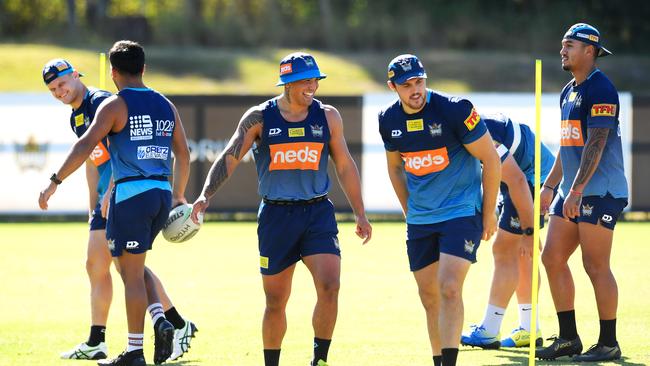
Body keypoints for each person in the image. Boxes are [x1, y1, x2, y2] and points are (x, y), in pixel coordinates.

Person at [190, 52, 372, 366]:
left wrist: (360, 212)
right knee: (276, 301)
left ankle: (320, 360)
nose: (313, 86)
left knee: (330, 286)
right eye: (306, 80)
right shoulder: (259, 117)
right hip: (276, 217)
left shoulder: (328, 116)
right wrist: (205, 195)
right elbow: (230, 158)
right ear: (287, 83)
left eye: (316, 79)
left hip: (317, 214)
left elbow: (344, 165)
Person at [39, 41, 193, 366]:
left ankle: (148, 340)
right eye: (53, 88)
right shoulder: (165, 103)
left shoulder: (110, 104)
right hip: (158, 195)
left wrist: (54, 182)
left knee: (128, 271)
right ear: (144, 68)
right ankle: (161, 325)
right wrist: (178, 195)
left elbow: (86, 149)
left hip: (126, 195)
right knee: (116, 266)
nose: (59, 90)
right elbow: (183, 153)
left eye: (62, 83)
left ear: (110, 72)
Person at [378, 54, 501, 366]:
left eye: (419, 81)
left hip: (461, 212)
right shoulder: (388, 119)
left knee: (448, 287)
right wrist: (410, 211)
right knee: (429, 297)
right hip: (421, 220)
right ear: (393, 87)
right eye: (407, 85)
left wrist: (488, 213)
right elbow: (395, 168)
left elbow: (491, 158)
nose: (415, 89)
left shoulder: (455, 109)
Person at [535, 23, 628, 362]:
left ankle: (608, 344)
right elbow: (567, 143)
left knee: (595, 264)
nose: (562, 50)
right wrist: (549, 186)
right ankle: (569, 339)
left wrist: (576, 190)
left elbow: (597, 142)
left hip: (600, 192)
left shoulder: (601, 89)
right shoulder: (567, 91)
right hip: (572, 191)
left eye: (569, 45)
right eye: (562, 44)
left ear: (590, 50)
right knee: (552, 258)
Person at [460, 112, 554, 349]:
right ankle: (529, 328)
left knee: (507, 250)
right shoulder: (462, 129)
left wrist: (531, 232)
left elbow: (519, 181)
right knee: (519, 254)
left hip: (532, 177)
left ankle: (490, 331)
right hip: (518, 176)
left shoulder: (480, 136)